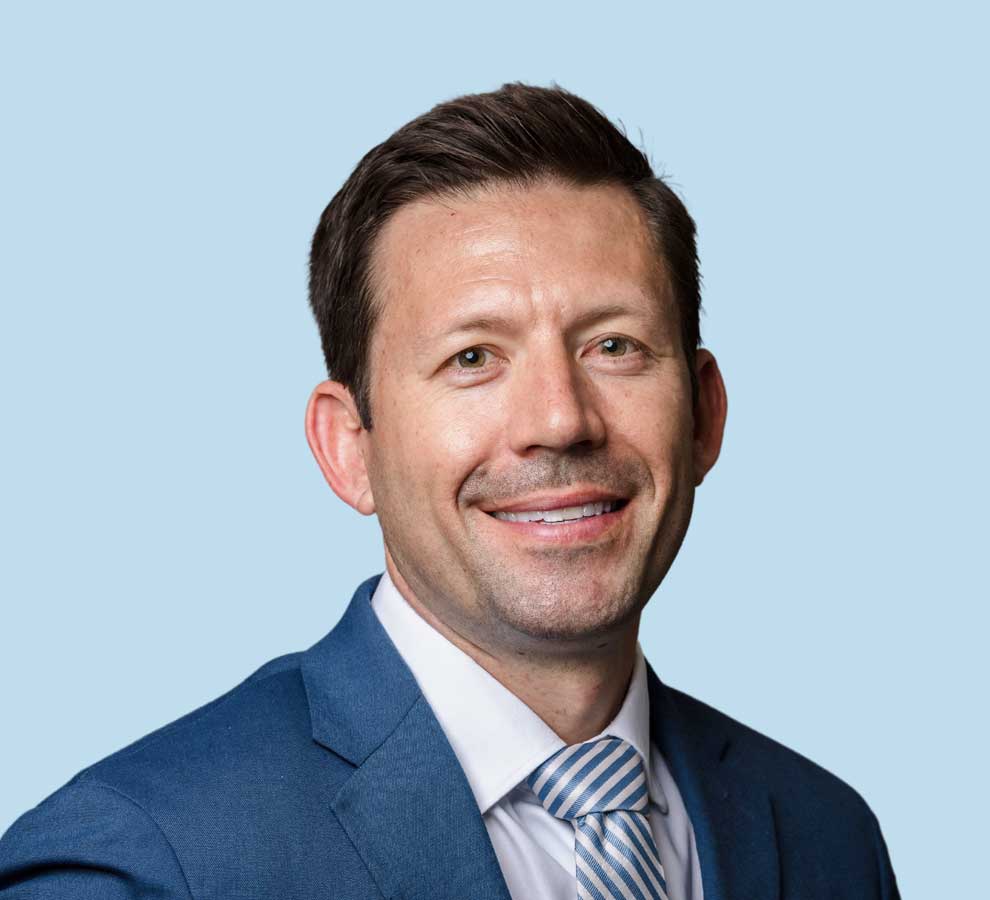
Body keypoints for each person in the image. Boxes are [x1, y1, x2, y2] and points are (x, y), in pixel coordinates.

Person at [0, 83, 900, 900]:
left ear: (704, 414)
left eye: (615, 346)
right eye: (473, 358)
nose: (560, 419)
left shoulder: (826, 836)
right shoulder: (144, 863)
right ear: (348, 447)